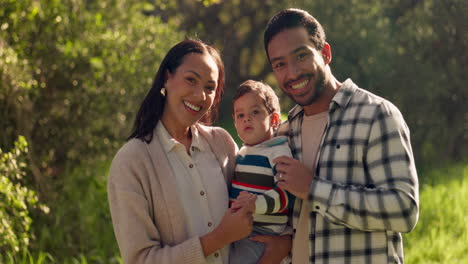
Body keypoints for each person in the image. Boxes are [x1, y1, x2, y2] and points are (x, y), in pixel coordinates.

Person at [263, 8, 420, 263]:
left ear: (325, 53)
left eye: (301, 56)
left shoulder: (376, 115)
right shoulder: (284, 132)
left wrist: (314, 189)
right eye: (280, 64)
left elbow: (404, 210)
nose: (291, 73)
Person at [107, 39, 257, 264]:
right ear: (167, 78)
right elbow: (141, 259)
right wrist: (218, 238)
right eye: (191, 80)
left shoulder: (221, 144)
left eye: (209, 87)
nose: (200, 96)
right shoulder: (132, 161)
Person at [228, 80, 294, 264]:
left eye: (255, 112)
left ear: (273, 119)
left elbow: (288, 193)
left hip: (262, 233)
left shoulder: (277, 151)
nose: (246, 119)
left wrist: (256, 204)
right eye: (240, 115)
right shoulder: (243, 152)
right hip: (240, 230)